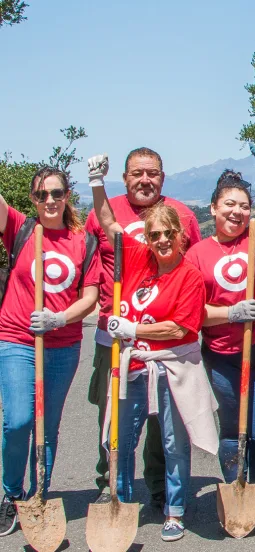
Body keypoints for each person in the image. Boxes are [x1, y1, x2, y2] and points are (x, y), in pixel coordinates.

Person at [88, 154, 215, 542]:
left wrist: (132, 326)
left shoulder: (189, 275)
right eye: (154, 234)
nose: (161, 241)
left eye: (168, 234)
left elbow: (182, 326)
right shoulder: (142, 261)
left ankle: (174, 509)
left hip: (170, 368)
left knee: (173, 442)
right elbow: (109, 223)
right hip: (132, 366)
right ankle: (121, 501)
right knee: (121, 438)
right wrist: (96, 181)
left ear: (181, 235)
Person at [185, 140, 255, 525]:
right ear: (213, 208)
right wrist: (230, 313)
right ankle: (235, 484)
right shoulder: (197, 253)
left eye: (243, 205)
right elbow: (190, 312)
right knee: (234, 430)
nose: (237, 211)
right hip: (221, 354)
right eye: (228, 205)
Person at [0, 167, 101, 537]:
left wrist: (58, 318)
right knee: (18, 421)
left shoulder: (82, 240)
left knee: (47, 426)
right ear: (32, 199)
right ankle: (12, 494)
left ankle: (39, 492)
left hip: (62, 344)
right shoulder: (21, 229)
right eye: (42, 195)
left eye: (56, 193)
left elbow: (90, 297)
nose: (50, 201)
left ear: (67, 195)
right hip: (16, 338)